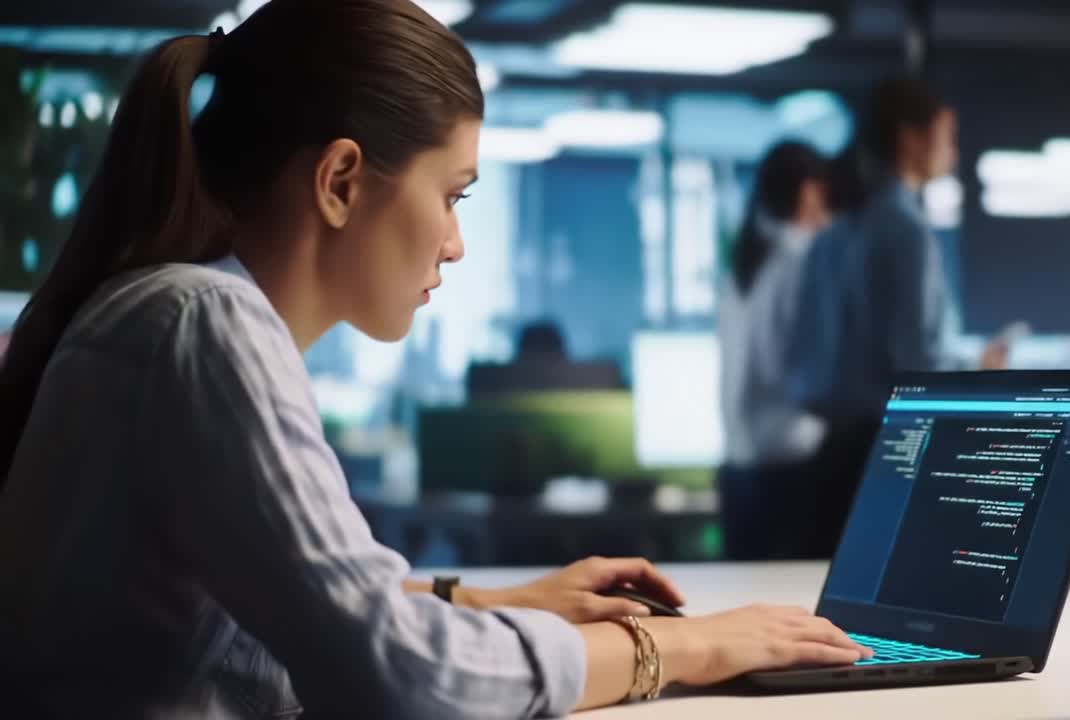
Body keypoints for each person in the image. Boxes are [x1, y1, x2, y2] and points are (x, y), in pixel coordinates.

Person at [0, 1, 872, 717]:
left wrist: (493, 606)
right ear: (340, 182)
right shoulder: (205, 325)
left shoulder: (169, 311)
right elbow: (401, 679)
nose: (455, 245)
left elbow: (289, 614)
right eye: (452, 196)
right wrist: (684, 644)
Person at [786, 75, 1008, 558]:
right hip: (886, 454)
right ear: (912, 136)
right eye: (948, 135)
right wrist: (977, 368)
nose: (953, 151)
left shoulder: (837, 230)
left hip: (828, 458)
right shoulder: (904, 228)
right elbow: (916, 365)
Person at [717, 140, 832, 560]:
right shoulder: (803, 260)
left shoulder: (745, 263)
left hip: (740, 466)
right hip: (790, 466)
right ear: (809, 192)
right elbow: (800, 371)